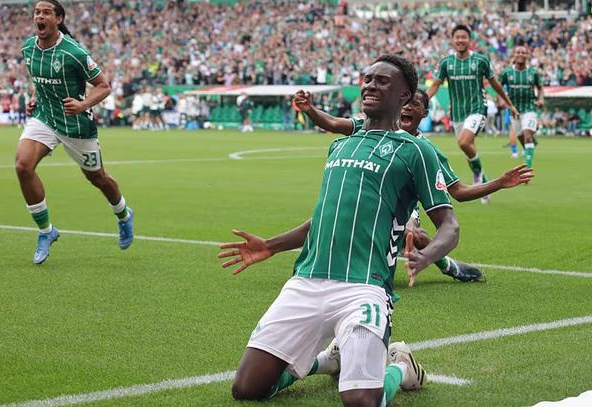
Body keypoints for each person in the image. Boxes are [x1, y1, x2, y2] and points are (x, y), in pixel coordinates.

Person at [219, 54, 459, 406]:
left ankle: (401, 367)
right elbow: (323, 218)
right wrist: (270, 246)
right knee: (247, 389)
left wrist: (427, 256)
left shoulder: (416, 151)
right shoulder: (340, 144)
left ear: (405, 96)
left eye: (382, 81)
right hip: (306, 282)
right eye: (367, 79)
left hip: (364, 288)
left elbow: (450, 225)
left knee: (361, 401)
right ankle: (330, 360)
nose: (370, 85)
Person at [293, 87, 533, 282]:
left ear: (425, 113)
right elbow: (333, 123)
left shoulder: (425, 151)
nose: (407, 107)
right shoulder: (372, 126)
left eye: (414, 104)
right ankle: (280, 248)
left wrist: (499, 183)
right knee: (331, 217)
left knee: (412, 233)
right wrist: (310, 109)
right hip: (368, 194)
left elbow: (459, 191)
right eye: (404, 103)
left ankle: (445, 265)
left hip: (402, 204)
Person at [16, 0, 133, 264]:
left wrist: (83, 105)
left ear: (58, 19)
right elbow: (39, 80)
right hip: (45, 118)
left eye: (46, 12)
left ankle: (123, 214)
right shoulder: (28, 47)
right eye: (37, 12)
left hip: (75, 124)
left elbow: (103, 86)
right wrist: (34, 97)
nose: (39, 16)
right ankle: (46, 231)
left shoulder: (74, 52)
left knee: (98, 178)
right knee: (23, 166)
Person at [426, 24, 519, 204]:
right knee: (468, 148)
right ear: (452, 40)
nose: (460, 40)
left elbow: (495, 84)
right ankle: (482, 181)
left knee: (463, 142)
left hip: (477, 108)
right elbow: (435, 85)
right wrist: (422, 101)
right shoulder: (446, 63)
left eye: (464, 37)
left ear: (469, 40)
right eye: (457, 37)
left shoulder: (480, 60)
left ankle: (478, 175)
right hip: (457, 113)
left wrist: (509, 104)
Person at [499, 46, 544, 169]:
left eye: (523, 53)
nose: (521, 54)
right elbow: (498, 87)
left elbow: (540, 88)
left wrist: (541, 99)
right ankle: (530, 147)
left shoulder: (533, 73)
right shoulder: (507, 72)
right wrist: (501, 100)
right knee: (521, 137)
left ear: (527, 55)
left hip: (530, 108)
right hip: (514, 110)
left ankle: (528, 168)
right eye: (518, 52)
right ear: (514, 55)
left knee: (527, 134)